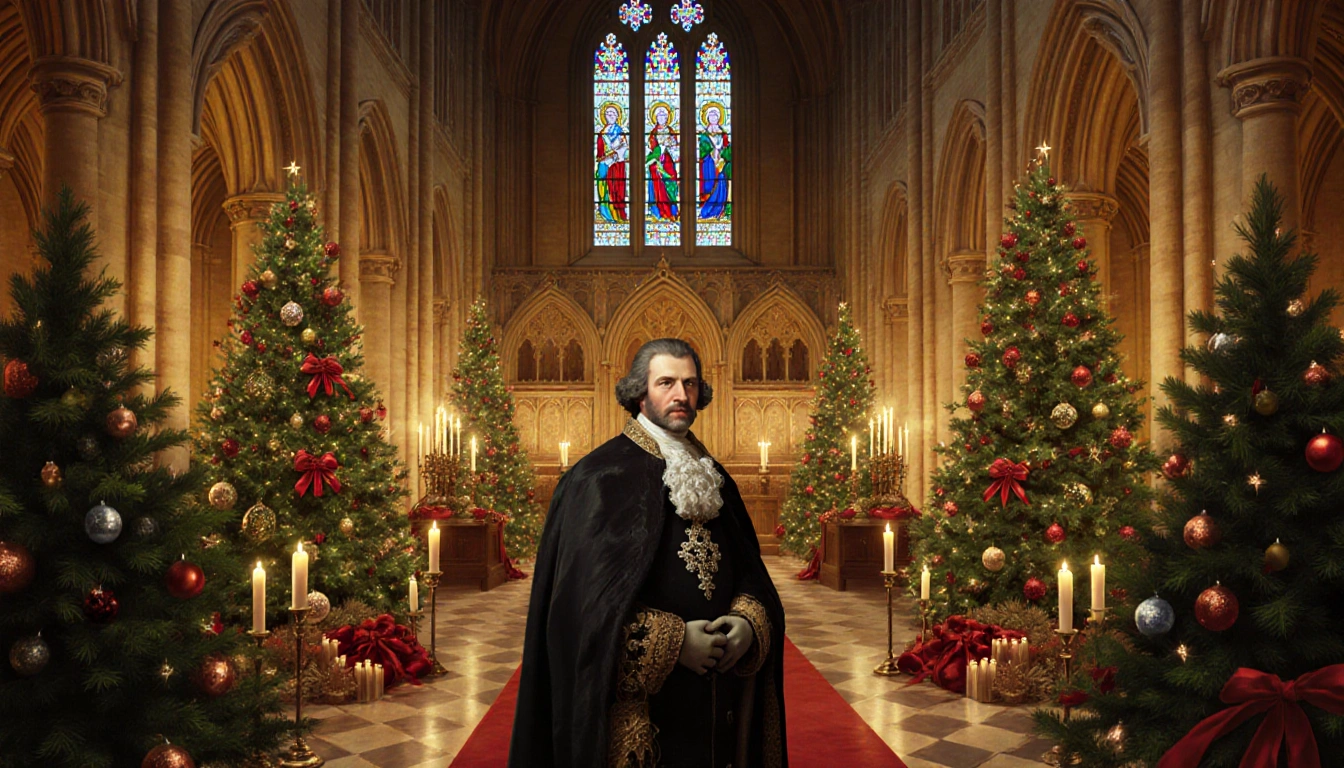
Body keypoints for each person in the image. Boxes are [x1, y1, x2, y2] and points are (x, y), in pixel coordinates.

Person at [509, 338, 787, 768]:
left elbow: (751, 572)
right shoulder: (599, 478)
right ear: (640, 392)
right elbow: (579, 614)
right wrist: (675, 644)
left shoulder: (715, 474)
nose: (681, 395)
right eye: (667, 382)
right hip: (641, 718)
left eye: (690, 384)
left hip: (719, 709)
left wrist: (748, 624)